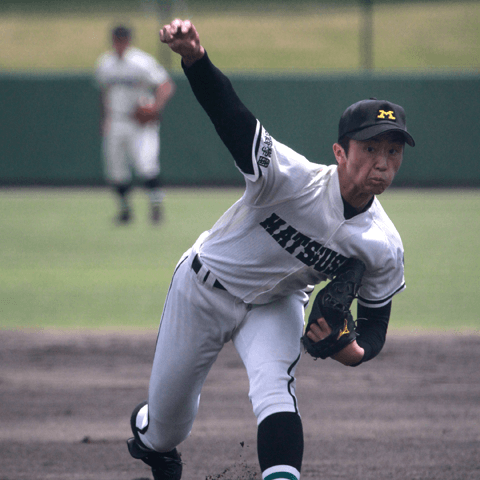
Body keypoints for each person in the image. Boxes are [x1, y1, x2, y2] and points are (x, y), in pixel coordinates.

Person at [126, 19, 415, 480]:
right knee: (167, 428)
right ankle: (152, 439)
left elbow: (375, 325)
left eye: (394, 152)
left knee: (276, 390)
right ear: (340, 152)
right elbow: (231, 117)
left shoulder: (383, 244)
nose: (383, 163)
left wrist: (352, 351)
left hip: (276, 305)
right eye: (371, 148)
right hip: (203, 289)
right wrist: (195, 59)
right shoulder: (288, 178)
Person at [94, 25, 176, 224]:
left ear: (129, 41)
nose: (119, 44)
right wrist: (104, 119)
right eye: (116, 40)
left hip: (139, 123)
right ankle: (125, 211)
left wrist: (155, 107)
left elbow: (165, 85)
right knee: (115, 168)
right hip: (115, 120)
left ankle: (156, 208)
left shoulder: (141, 61)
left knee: (146, 164)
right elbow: (104, 93)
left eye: (122, 40)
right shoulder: (105, 63)